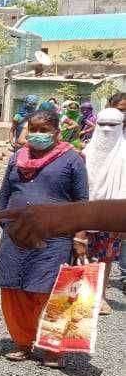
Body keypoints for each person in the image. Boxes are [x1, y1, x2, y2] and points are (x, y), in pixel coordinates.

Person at [0, 109, 88, 367]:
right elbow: (4, 196)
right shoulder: (17, 158)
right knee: (14, 289)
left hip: (54, 239)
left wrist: (80, 238)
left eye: (44, 130)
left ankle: (54, 349)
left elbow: (81, 202)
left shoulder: (71, 160)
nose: (38, 135)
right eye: (34, 129)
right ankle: (23, 342)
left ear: (56, 131)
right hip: (15, 236)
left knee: (52, 292)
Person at [78, 107, 126, 312]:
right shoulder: (85, 153)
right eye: (102, 125)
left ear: (121, 126)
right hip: (84, 212)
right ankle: (81, 292)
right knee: (81, 252)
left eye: (112, 126)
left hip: (111, 214)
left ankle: (101, 295)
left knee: (106, 257)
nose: (107, 130)